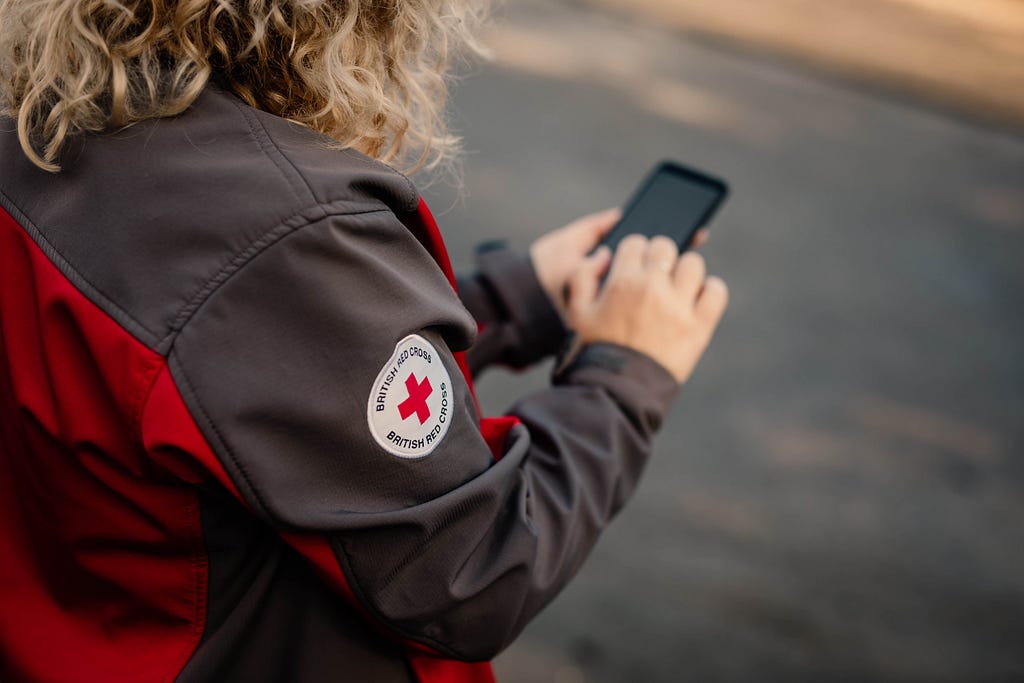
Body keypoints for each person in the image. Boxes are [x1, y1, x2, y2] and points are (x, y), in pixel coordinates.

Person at [0, 1, 728, 681]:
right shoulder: (279, 232)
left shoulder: (39, 120)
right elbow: (472, 569)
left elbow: (240, 373)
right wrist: (623, 376)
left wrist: (516, 298)